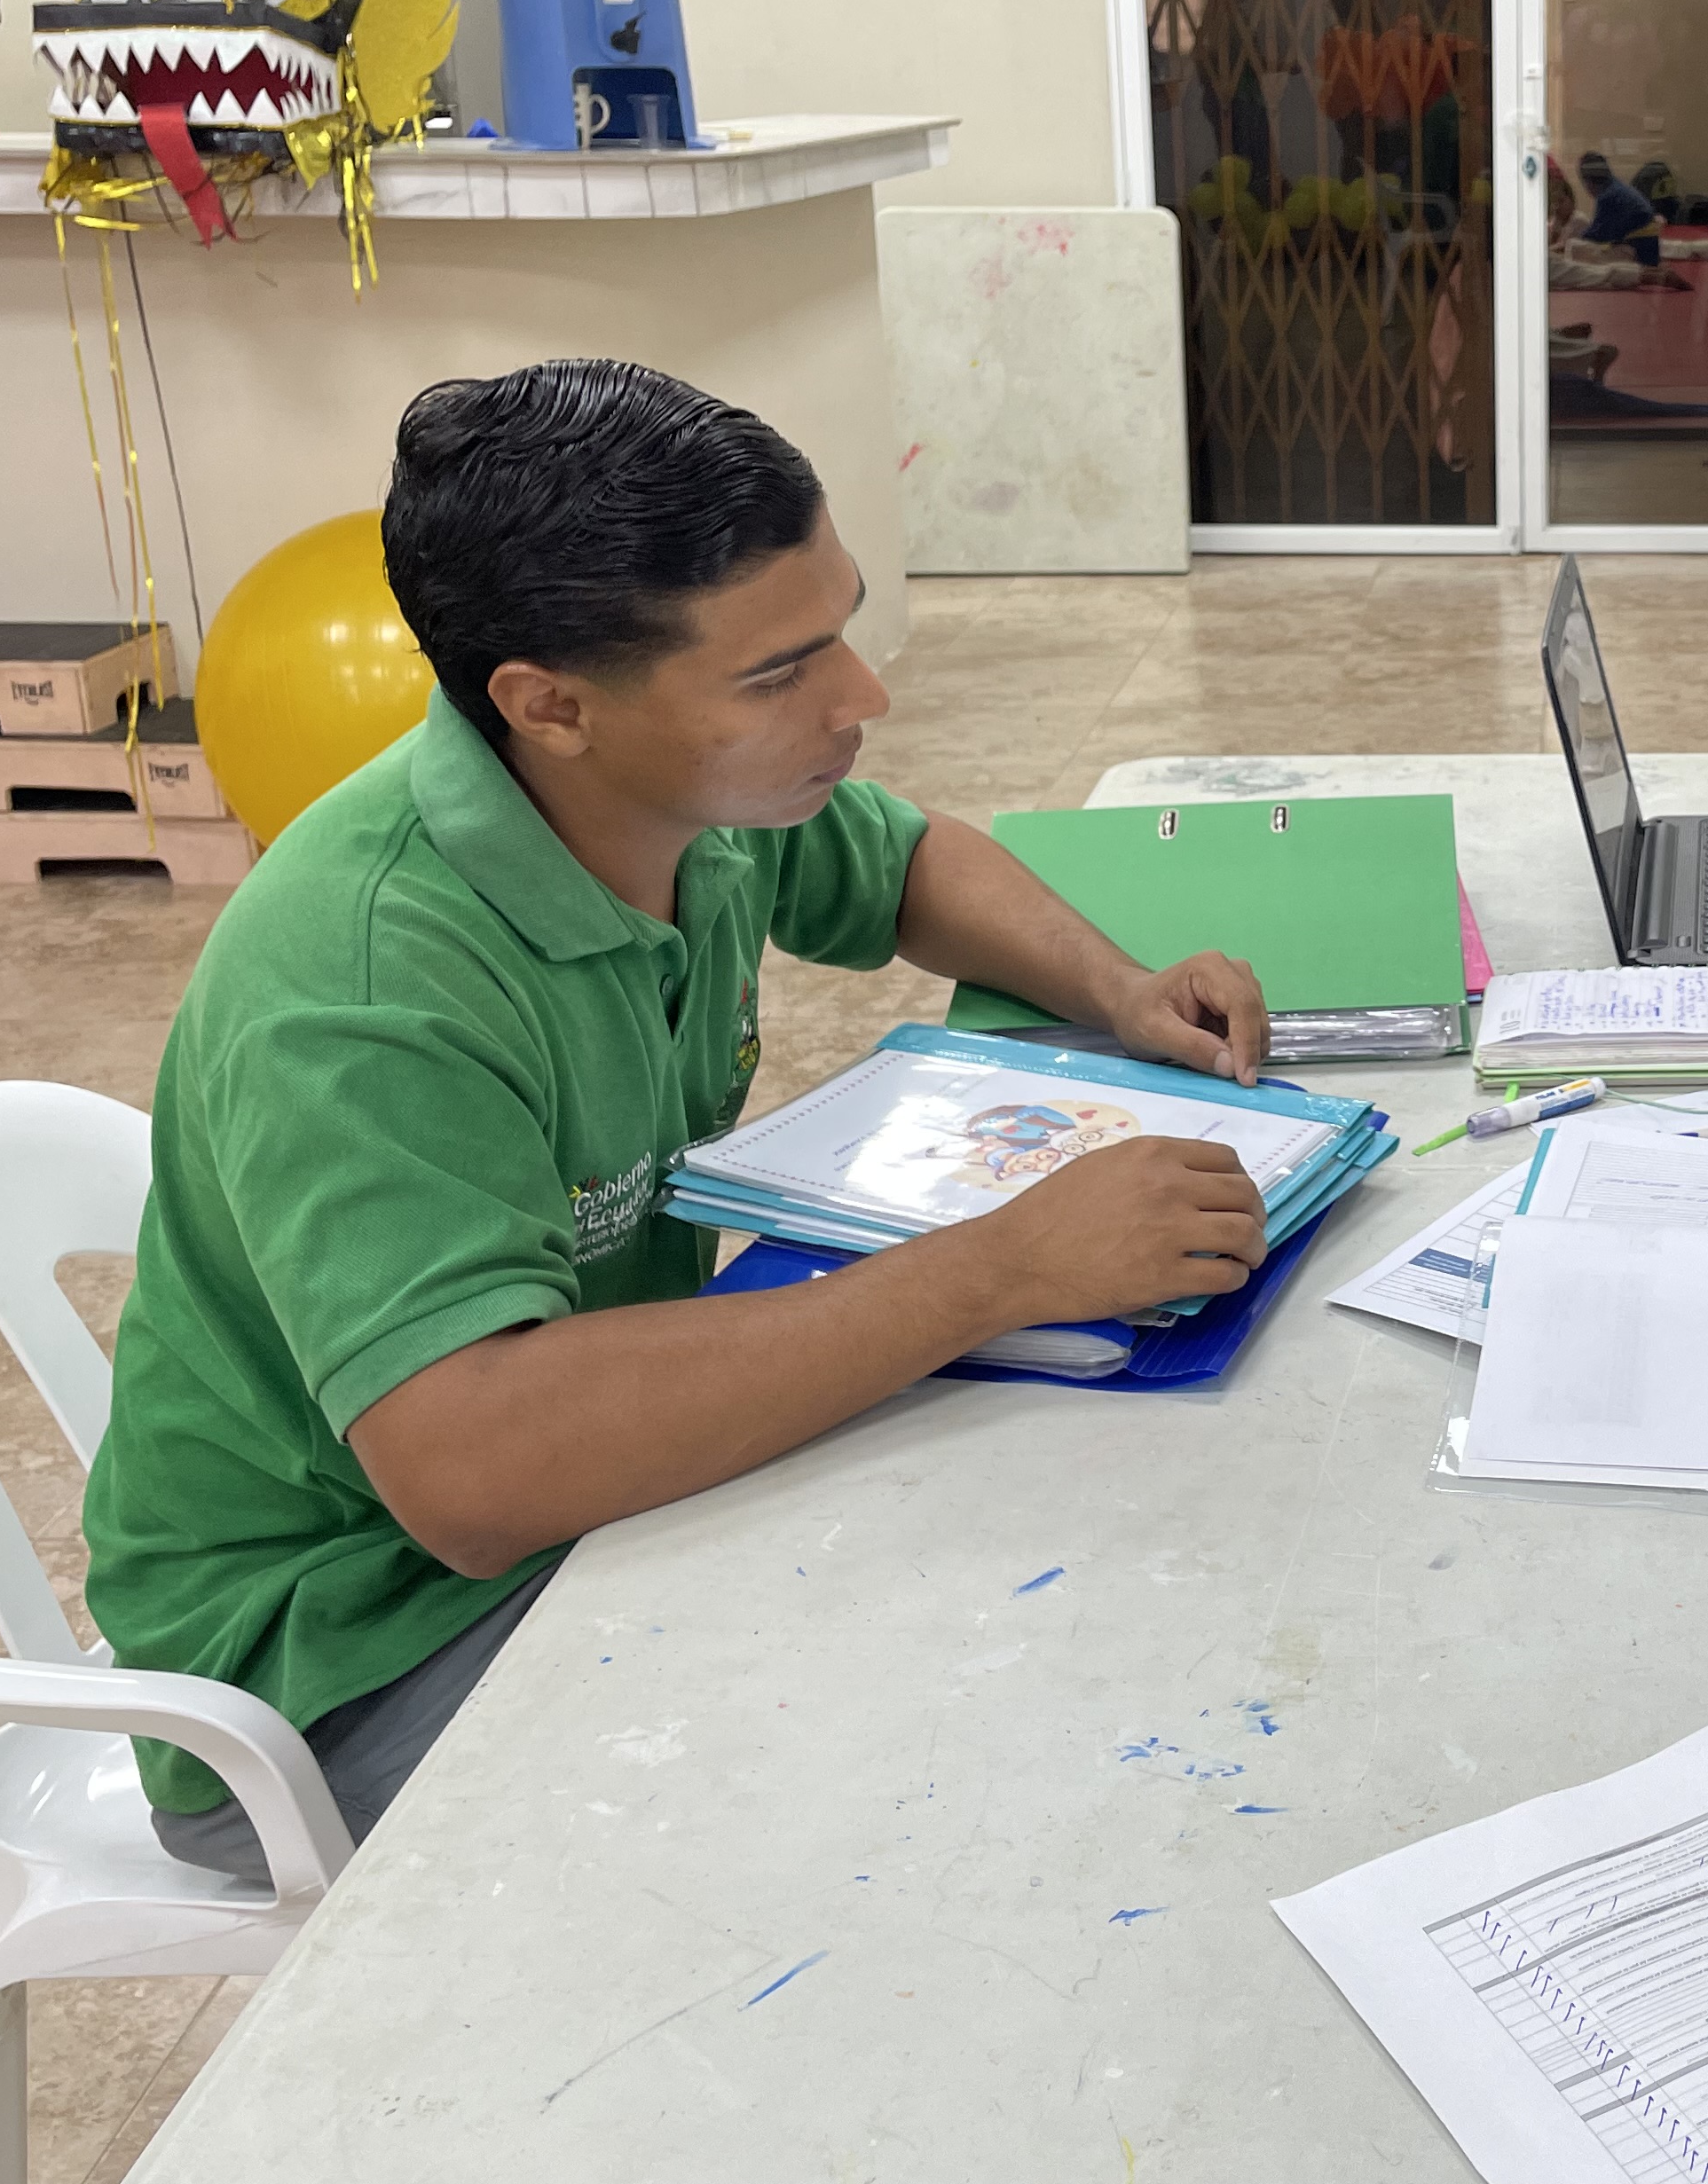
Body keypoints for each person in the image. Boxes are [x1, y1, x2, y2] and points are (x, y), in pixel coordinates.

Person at [82, 361, 1277, 1884]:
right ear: (550, 705)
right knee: (940, 1739)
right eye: (781, 674)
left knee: (1022, 1534)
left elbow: (903, 863)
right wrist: (1001, 1269)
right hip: (340, 1657)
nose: (863, 699)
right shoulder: (363, 985)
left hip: (579, 1490)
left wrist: (1117, 987)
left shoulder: (672, 804)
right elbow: (475, 1476)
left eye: (840, 627)